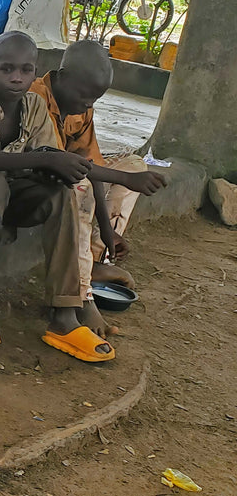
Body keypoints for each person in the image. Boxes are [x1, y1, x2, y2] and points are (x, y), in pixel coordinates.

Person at [0, 31, 116, 364]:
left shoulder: (34, 106)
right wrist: (45, 159)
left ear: (36, 72)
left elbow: (53, 158)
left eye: (25, 70)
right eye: (6, 69)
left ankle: (64, 314)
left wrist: (53, 166)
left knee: (61, 192)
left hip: (17, 197)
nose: (16, 78)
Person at [30, 40, 167, 333]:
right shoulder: (36, 98)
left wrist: (107, 231)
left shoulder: (80, 106)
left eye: (96, 98)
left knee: (133, 164)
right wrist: (128, 181)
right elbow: (67, 166)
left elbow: (92, 166)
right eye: (85, 95)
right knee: (80, 185)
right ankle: (82, 295)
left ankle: (95, 260)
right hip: (37, 183)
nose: (90, 104)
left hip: (73, 177)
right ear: (63, 76)